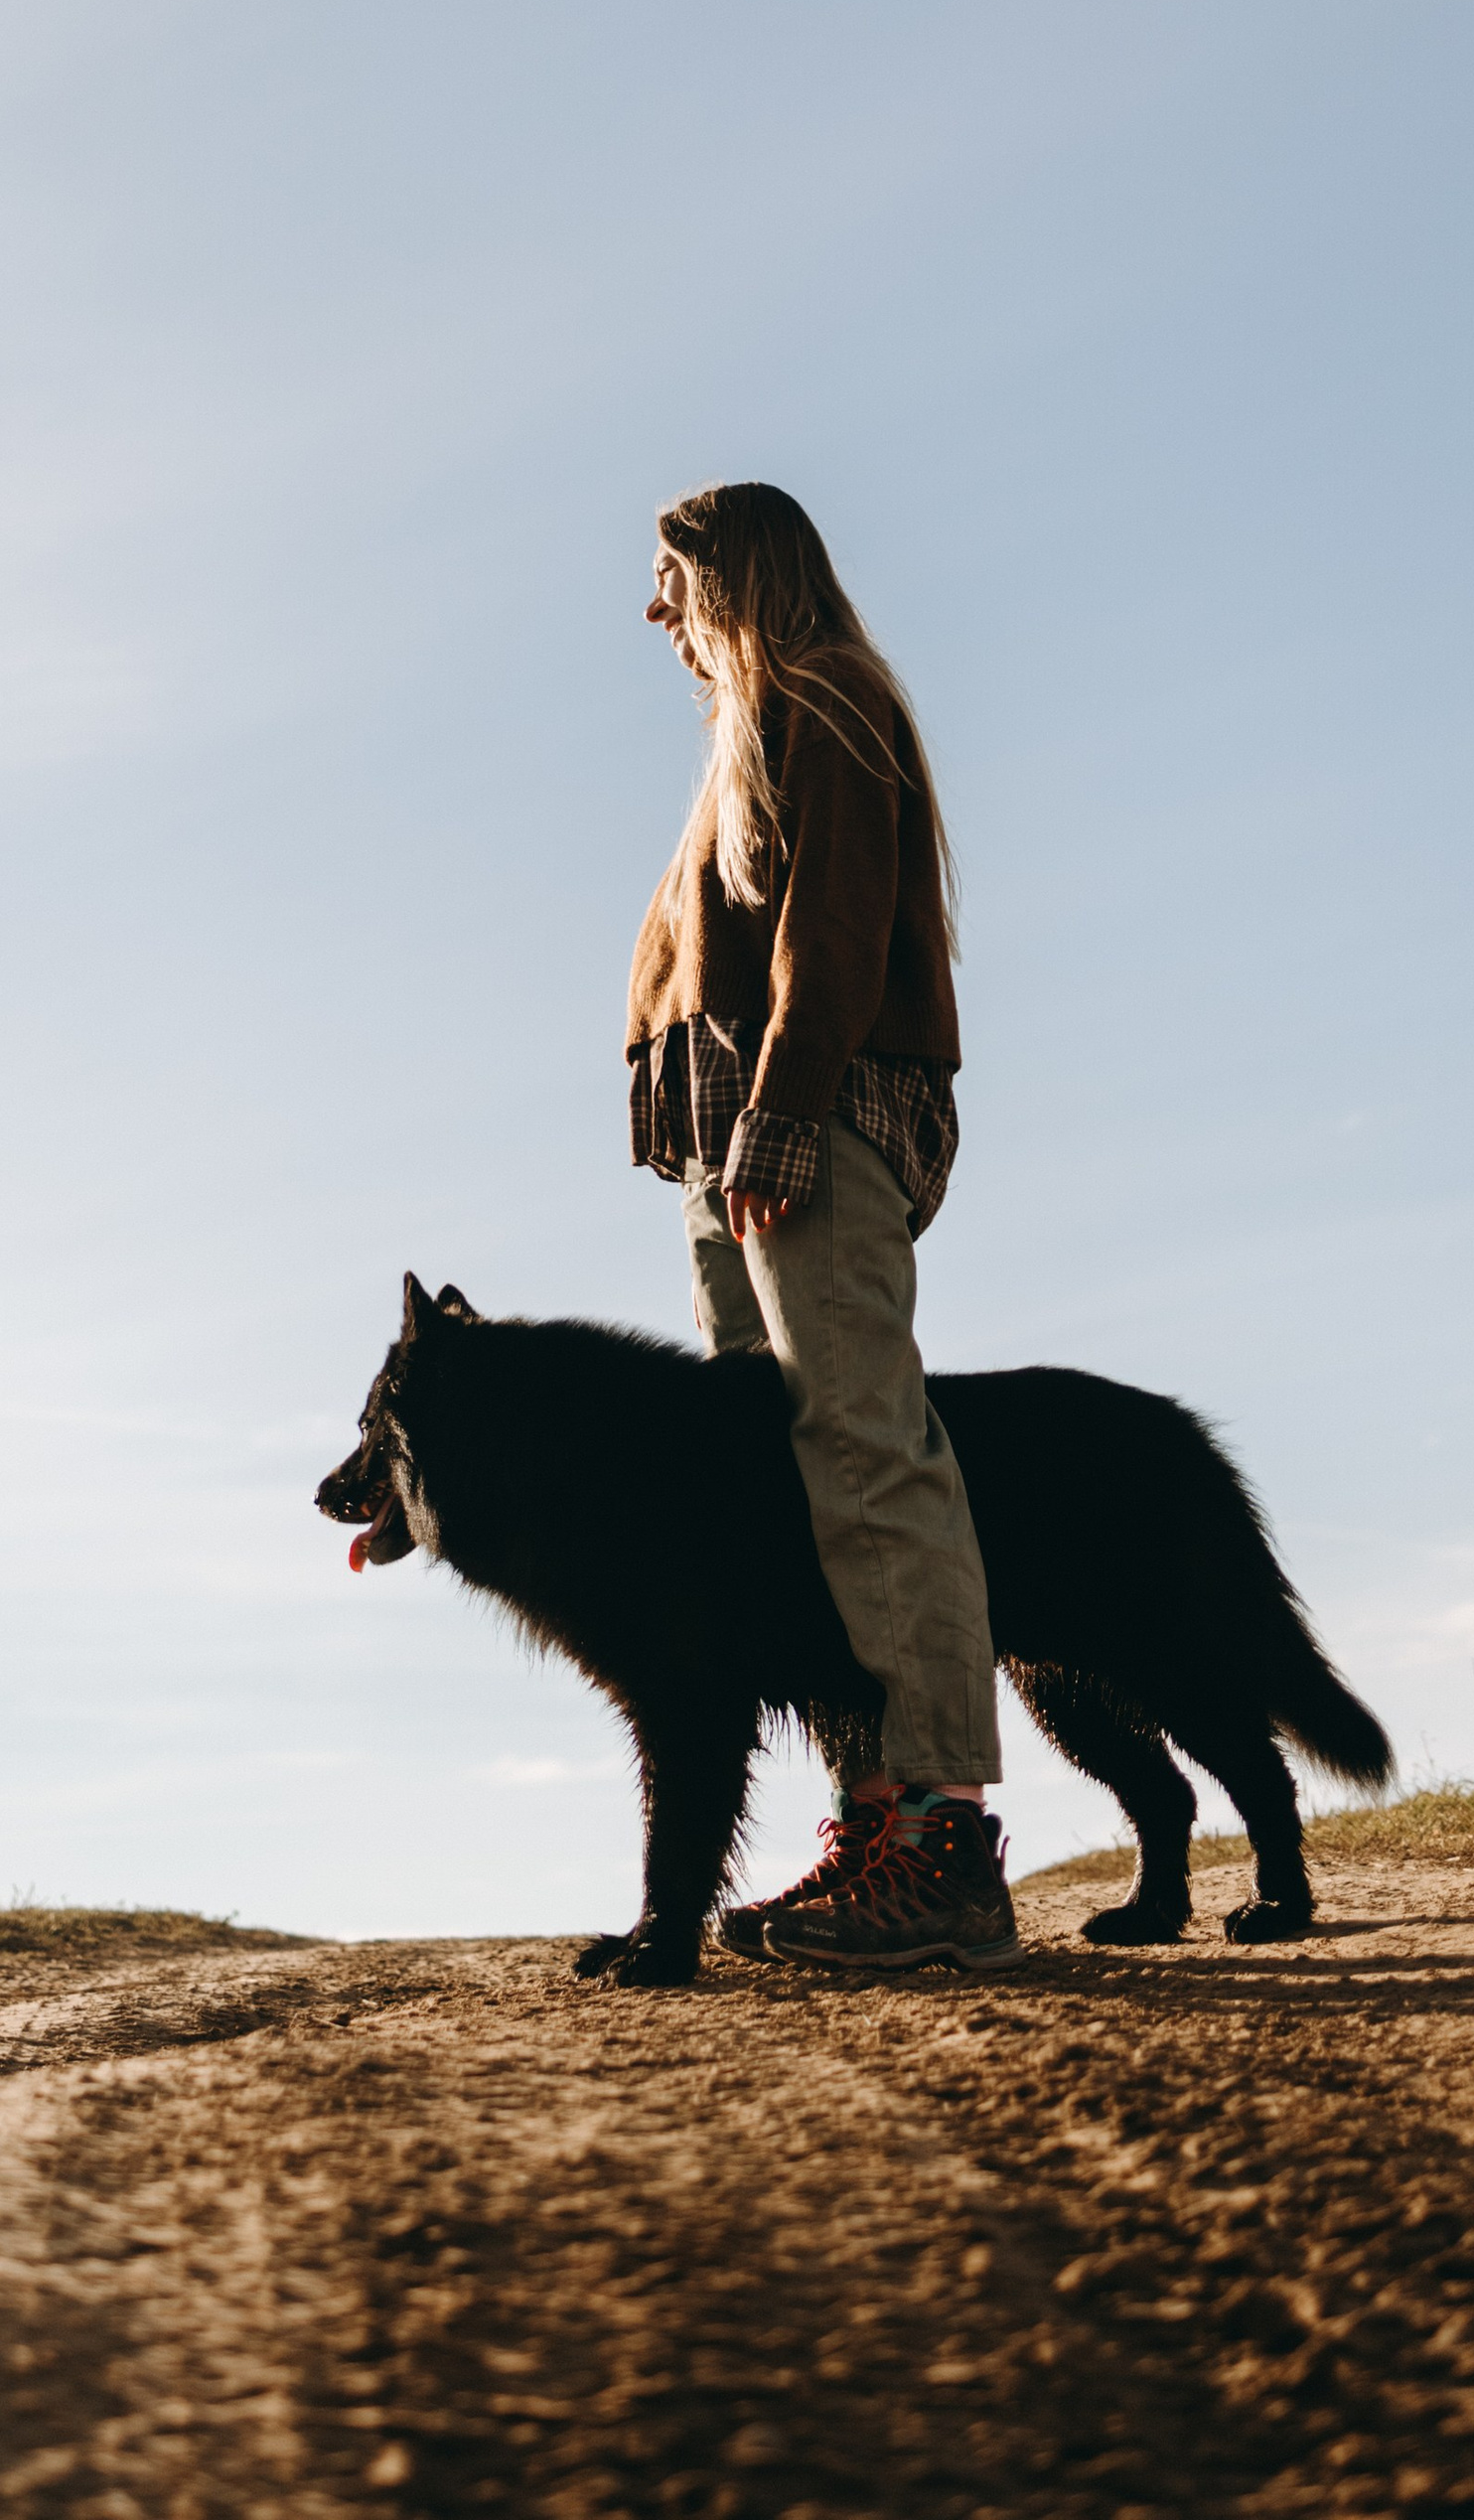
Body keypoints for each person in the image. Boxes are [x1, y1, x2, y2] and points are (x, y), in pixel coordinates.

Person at [628, 480, 1018, 1972]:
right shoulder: (746, 740)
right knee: (790, 1476)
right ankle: (874, 1822)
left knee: (865, 1447)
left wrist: (782, 1110)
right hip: (744, 1142)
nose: (654, 611)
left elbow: (834, 933)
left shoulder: (828, 700)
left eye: (670, 578)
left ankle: (943, 1841)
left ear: (734, 574)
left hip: (815, 1121)